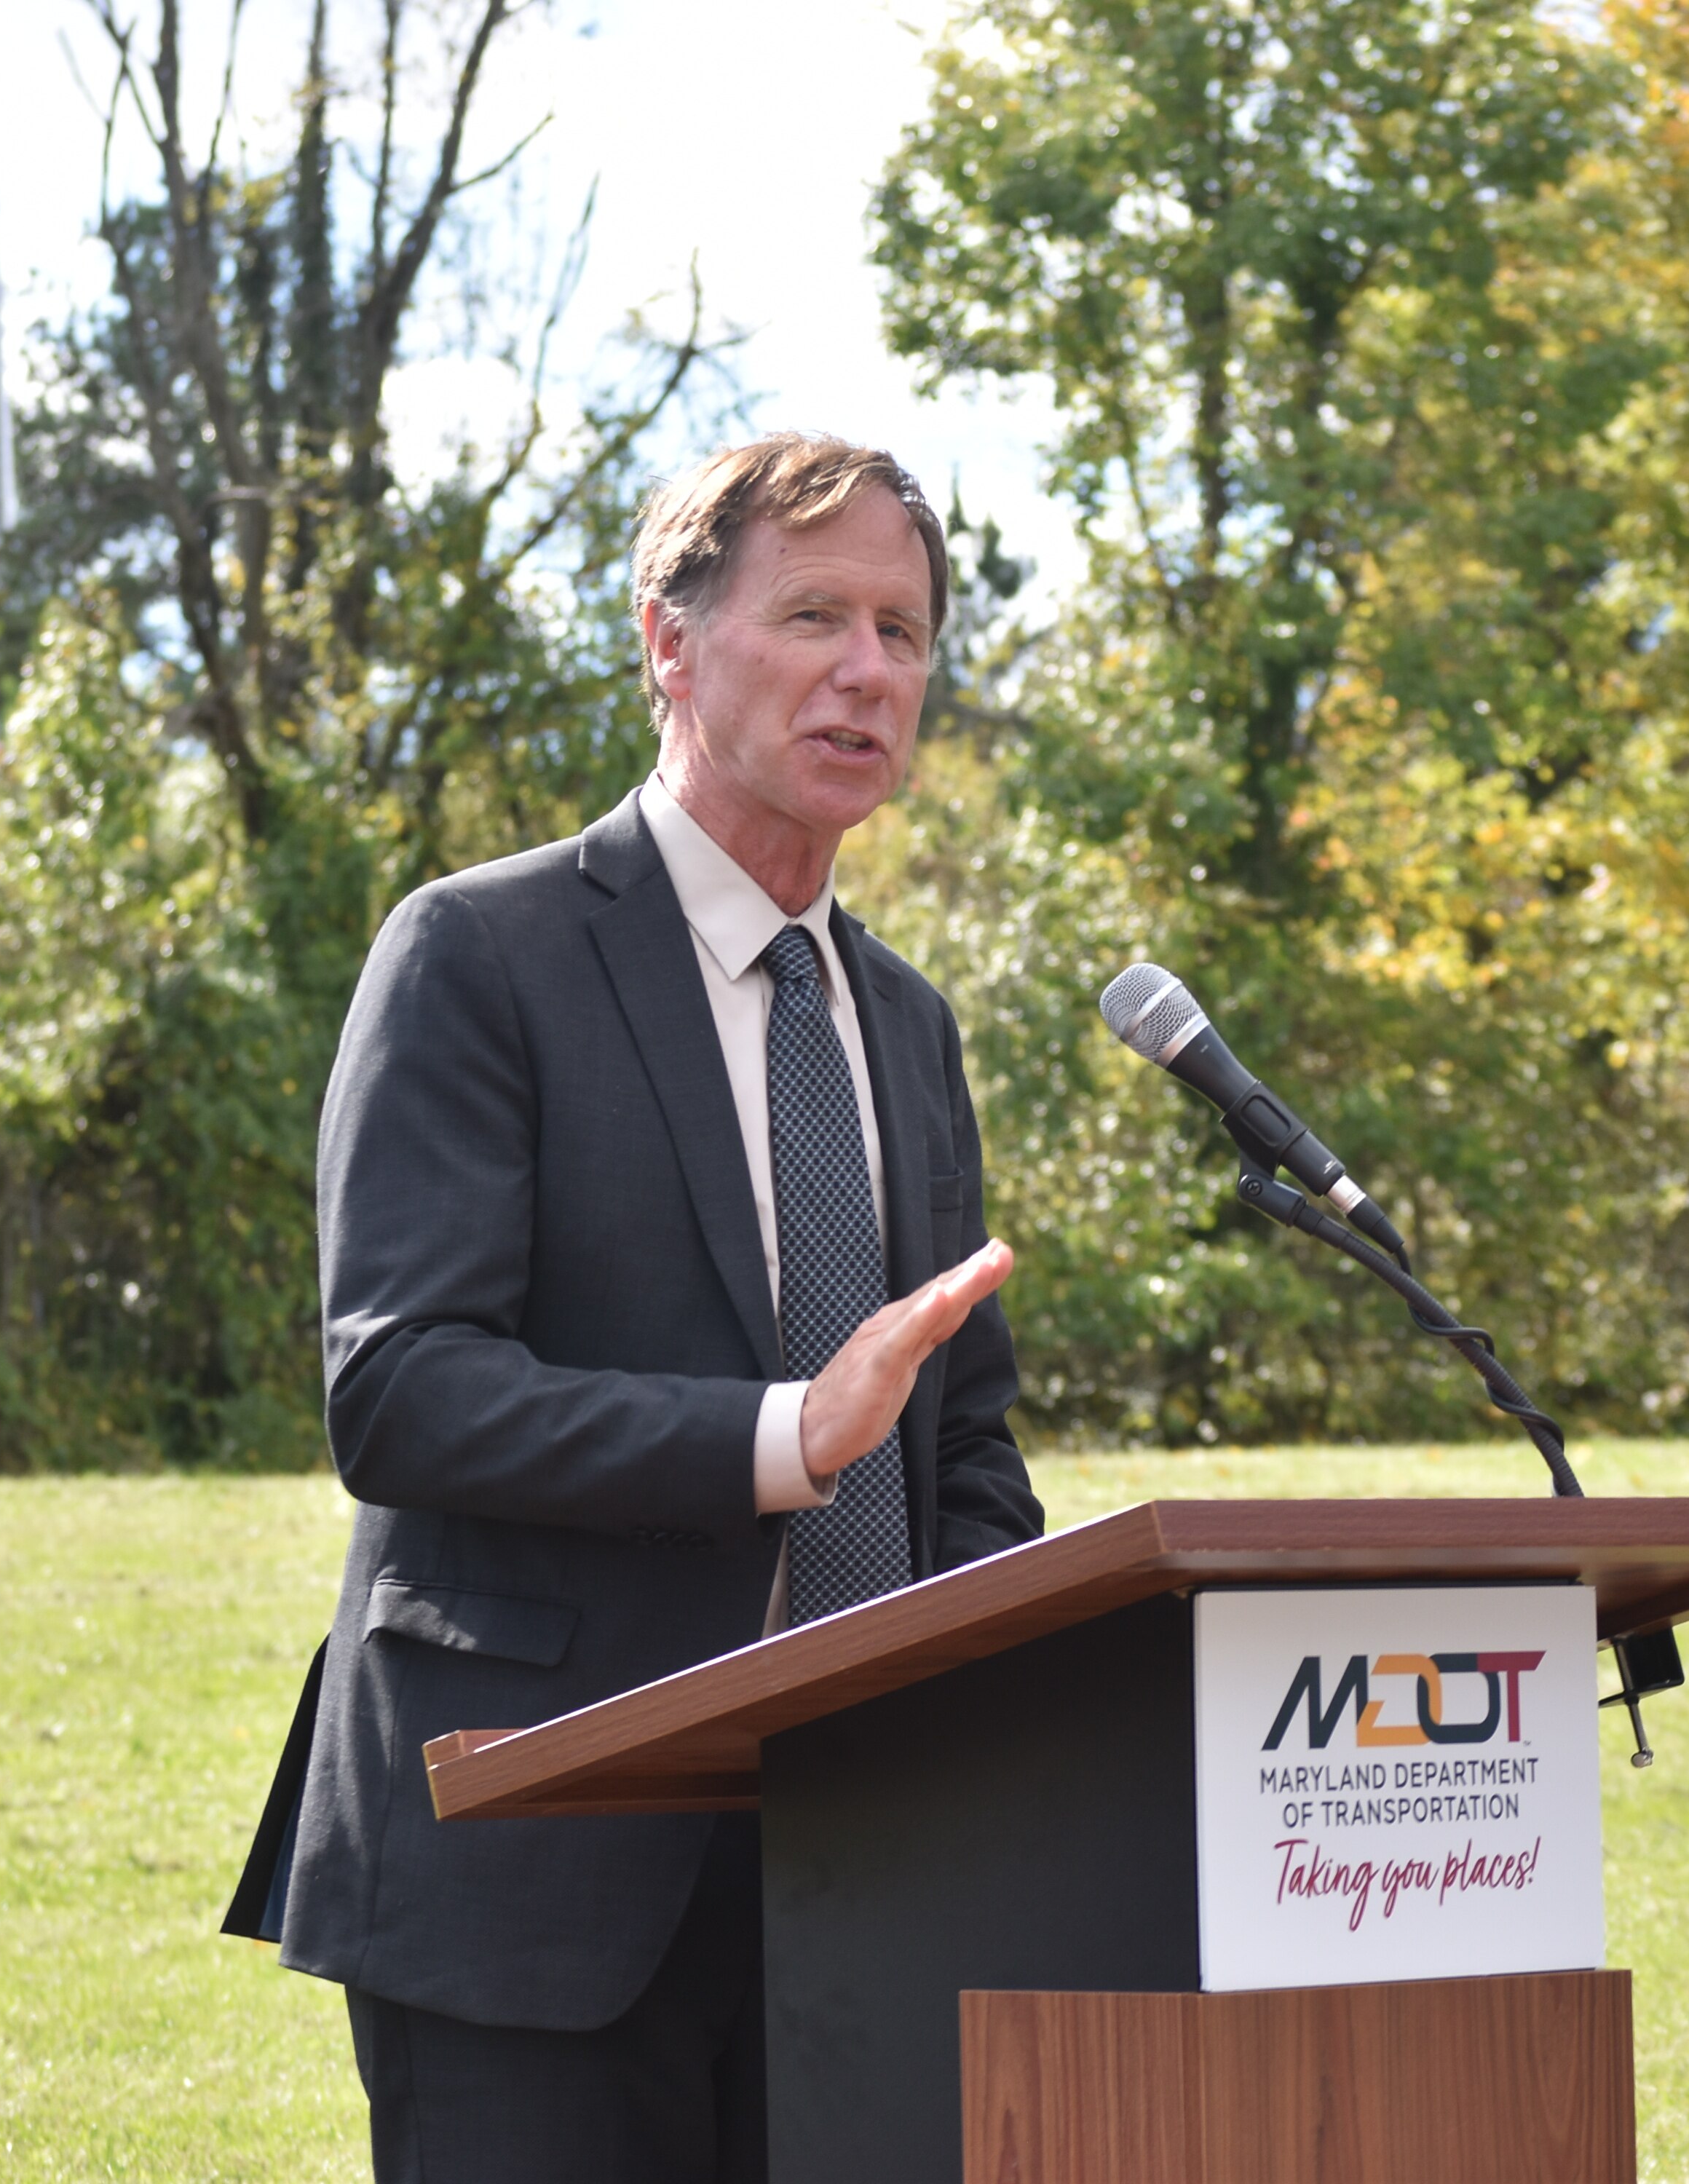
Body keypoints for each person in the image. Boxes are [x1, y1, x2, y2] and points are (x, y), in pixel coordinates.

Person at [235, 432, 1040, 2183]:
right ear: (668, 644)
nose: (868, 671)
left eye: (902, 632)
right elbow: (402, 1391)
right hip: (536, 1861)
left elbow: (958, 1440)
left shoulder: (904, 1026)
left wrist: (1018, 1667)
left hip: (859, 1867)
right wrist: (778, 1439)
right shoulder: (477, 953)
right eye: (814, 614)